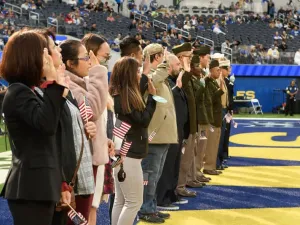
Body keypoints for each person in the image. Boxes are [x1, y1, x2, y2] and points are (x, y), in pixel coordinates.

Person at [0, 30, 70, 225]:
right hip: (31, 188)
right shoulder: (17, 92)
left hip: (43, 186)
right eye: (44, 53)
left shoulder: (30, 92)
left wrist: (61, 183)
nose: (48, 58)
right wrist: (52, 83)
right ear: (30, 57)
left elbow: (53, 139)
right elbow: (46, 125)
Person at [34, 29, 95, 225]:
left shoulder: (62, 86)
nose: (58, 51)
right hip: (62, 180)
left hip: (72, 176)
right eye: (53, 48)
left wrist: (86, 129)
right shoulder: (40, 91)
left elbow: (69, 126)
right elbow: (49, 135)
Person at [60, 39, 109, 222]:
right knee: (81, 215)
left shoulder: (77, 82)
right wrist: (98, 73)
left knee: (89, 211)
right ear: (70, 63)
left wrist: (105, 139)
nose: (91, 61)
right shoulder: (69, 84)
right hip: (78, 165)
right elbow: (95, 108)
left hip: (90, 157)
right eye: (85, 57)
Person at [110, 57, 157, 225]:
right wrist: (152, 99)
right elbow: (143, 120)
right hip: (128, 154)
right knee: (133, 202)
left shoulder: (121, 94)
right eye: (137, 71)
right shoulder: (125, 97)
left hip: (123, 152)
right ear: (129, 74)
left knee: (121, 201)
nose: (140, 75)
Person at [138, 44, 178, 223]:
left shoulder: (159, 76)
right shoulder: (149, 75)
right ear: (156, 57)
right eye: (163, 57)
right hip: (155, 135)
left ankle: (151, 206)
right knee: (150, 175)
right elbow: (153, 81)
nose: (167, 62)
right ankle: (145, 208)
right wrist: (165, 62)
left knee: (156, 175)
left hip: (163, 135)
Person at [81, 33, 114, 225]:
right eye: (105, 56)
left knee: (93, 209)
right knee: (87, 211)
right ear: (91, 55)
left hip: (99, 153)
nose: (107, 61)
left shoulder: (96, 80)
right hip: (88, 158)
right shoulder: (84, 82)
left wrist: (105, 140)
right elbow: (93, 113)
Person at [156, 54, 190, 210]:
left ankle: (171, 194)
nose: (180, 67)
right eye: (177, 64)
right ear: (168, 66)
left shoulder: (173, 83)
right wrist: (179, 85)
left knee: (175, 165)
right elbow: (166, 101)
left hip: (178, 129)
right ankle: (162, 199)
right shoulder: (166, 83)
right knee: (167, 166)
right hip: (168, 129)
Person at [173, 43, 203, 198]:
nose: (191, 60)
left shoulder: (188, 75)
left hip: (191, 123)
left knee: (188, 157)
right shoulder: (179, 75)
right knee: (183, 160)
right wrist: (185, 69)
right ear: (179, 58)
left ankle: (182, 184)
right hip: (183, 125)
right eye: (188, 57)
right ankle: (179, 186)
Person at [191, 47, 211, 183]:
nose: (209, 60)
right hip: (198, 116)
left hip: (203, 116)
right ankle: (194, 173)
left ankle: (197, 171)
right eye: (207, 57)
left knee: (201, 146)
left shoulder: (203, 74)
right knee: (196, 147)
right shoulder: (197, 74)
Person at [203, 60, 224, 176]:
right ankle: (208, 166)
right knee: (210, 145)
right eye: (217, 70)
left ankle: (211, 166)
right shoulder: (207, 82)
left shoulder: (213, 82)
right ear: (210, 70)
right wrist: (220, 91)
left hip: (216, 118)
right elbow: (209, 99)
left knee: (214, 143)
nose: (219, 72)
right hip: (211, 119)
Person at [216, 59, 230, 170]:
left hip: (223, 110)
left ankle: (219, 161)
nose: (229, 71)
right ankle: (215, 162)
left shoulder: (224, 80)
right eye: (228, 69)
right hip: (219, 110)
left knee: (222, 137)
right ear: (222, 70)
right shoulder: (218, 81)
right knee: (218, 139)